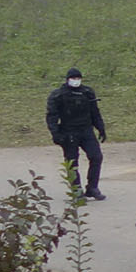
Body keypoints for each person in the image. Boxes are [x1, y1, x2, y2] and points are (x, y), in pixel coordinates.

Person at [45, 68, 106, 201]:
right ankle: (76, 190)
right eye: (73, 78)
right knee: (72, 162)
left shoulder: (87, 92)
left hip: (86, 130)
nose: (76, 81)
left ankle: (92, 188)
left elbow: (95, 112)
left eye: (78, 78)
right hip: (68, 132)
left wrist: (101, 128)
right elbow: (52, 116)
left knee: (96, 157)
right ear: (67, 79)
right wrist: (56, 134)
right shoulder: (58, 95)